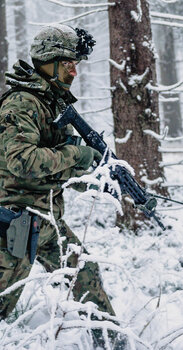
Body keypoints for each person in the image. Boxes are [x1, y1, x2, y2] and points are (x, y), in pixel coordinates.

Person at [0, 24, 123, 348]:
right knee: (2, 302)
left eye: (76, 63)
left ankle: (113, 342)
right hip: (14, 221)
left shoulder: (52, 103)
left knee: (85, 273)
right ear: (48, 61)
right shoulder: (22, 103)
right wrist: (76, 153)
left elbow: (55, 165)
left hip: (46, 219)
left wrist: (94, 179)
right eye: (68, 62)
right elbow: (21, 161)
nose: (74, 70)